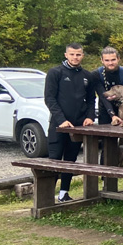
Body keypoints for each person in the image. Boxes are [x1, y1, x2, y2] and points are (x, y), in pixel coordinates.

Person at [44, 43, 96, 202]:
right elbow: (50, 99)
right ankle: (46, 195)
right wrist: (62, 120)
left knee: (70, 160)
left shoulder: (87, 76)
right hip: (59, 125)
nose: (75, 57)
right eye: (72, 54)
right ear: (66, 55)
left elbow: (91, 100)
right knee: (54, 160)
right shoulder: (55, 73)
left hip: (78, 126)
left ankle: (63, 193)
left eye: (78, 54)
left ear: (82, 56)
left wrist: (90, 117)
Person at [94, 46, 123, 126]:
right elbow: (102, 96)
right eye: (107, 60)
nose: (110, 63)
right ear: (102, 60)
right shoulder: (97, 75)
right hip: (105, 108)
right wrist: (112, 115)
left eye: (113, 60)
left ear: (118, 59)